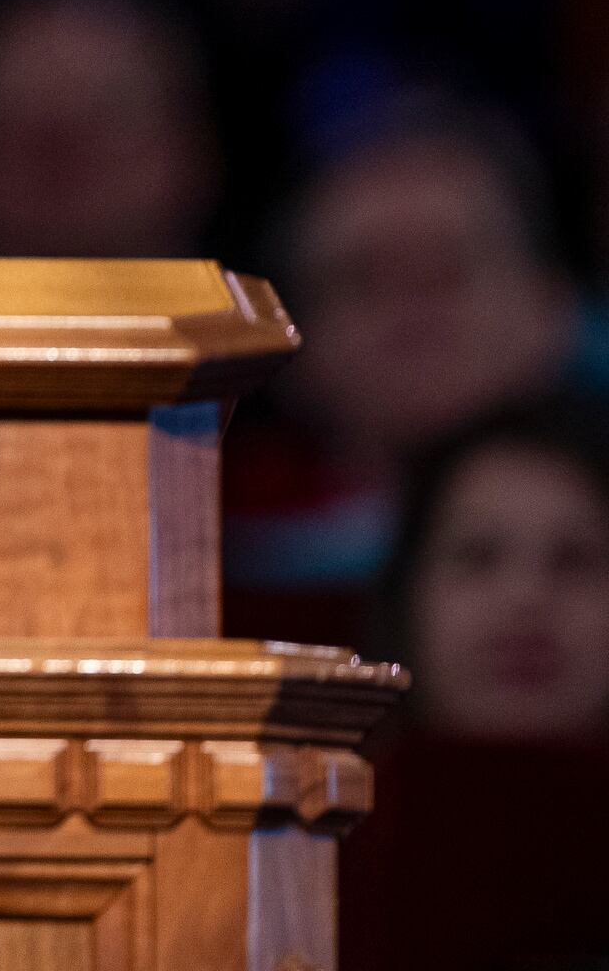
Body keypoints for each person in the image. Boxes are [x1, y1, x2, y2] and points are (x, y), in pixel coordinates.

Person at [223, 97, 581, 644]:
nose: (413, 309)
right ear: (289, 337)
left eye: (450, 269)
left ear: (551, 308)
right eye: (365, 280)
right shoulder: (215, 552)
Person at [339, 400, 609, 969]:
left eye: (575, 560)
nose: (527, 597)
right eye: (479, 558)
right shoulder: (313, 839)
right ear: (406, 601)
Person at [0, 0, 219, 261]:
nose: (59, 161)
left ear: (196, 150)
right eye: (16, 118)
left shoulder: (260, 299)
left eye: (110, 114)